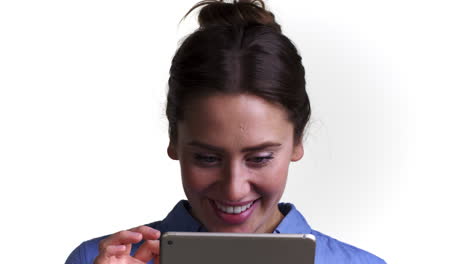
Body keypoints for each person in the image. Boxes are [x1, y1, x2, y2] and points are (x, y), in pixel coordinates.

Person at [65, 1, 386, 263]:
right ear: (174, 141)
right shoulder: (95, 259)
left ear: (297, 142)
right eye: (207, 157)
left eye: (260, 158)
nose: (234, 190)